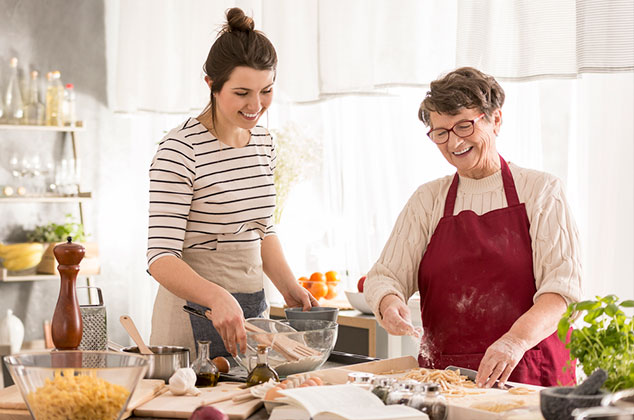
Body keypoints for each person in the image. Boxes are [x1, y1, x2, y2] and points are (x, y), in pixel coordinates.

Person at [364, 67, 582, 388]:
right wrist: (389, 302)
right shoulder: (428, 200)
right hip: (448, 380)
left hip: (530, 372)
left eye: (464, 126)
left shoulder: (542, 191)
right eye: (441, 132)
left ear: (495, 120)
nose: (454, 142)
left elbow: (562, 293)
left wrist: (514, 341)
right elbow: (385, 276)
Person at [146, 8, 318, 360]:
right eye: (242, 93)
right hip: (192, 313)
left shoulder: (264, 143)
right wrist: (216, 296)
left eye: (266, 90)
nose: (256, 105)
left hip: (252, 310)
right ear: (211, 84)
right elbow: (160, 257)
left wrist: (288, 286)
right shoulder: (180, 149)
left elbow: (262, 229)